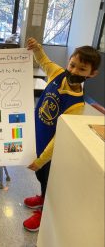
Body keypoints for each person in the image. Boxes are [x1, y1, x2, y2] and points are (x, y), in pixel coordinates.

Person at [23, 37, 101, 232]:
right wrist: (36, 48)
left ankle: (45, 212)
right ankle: (42, 198)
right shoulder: (57, 74)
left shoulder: (77, 105)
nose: (74, 71)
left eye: (81, 69)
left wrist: (41, 160)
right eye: (72, 65)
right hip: (37, 138)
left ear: (92, 74)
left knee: (50, 181)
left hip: (51, 151)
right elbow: (44, 61)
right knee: (41, 177)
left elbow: (59, 138)